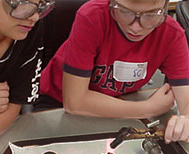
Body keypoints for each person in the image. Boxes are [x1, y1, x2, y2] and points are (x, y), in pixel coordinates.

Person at [37, 0, 189, 143]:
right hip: (56, 104)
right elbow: (74, 102)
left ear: (164, 8)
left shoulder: (171, 33)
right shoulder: (92, 17)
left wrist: (186, 119)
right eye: (125, 12)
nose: (136, 27)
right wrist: (146, 109)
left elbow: (186, 97)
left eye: (150, 15)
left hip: (120, 103)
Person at [0, 0, 56, 143]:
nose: (34, 17)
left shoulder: (27, 30)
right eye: (22, 3)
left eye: (40, 6)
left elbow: (16, 101)